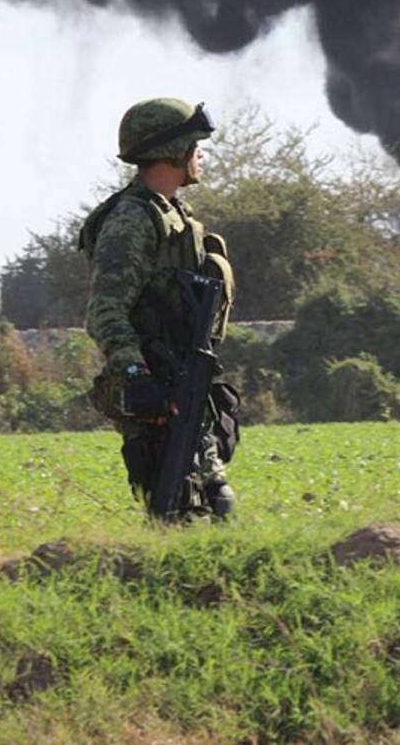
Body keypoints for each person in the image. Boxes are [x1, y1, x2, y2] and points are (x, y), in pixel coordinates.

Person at [78, 97, 240, 520]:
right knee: (174, 505)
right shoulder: (131, 221)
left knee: (217, 499)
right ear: (173, 152)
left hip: (184, 375)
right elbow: (105, 311)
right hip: (153, 380)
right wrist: (137, 375)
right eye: (195, 147)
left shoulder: (174, 213)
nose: (200, 156)